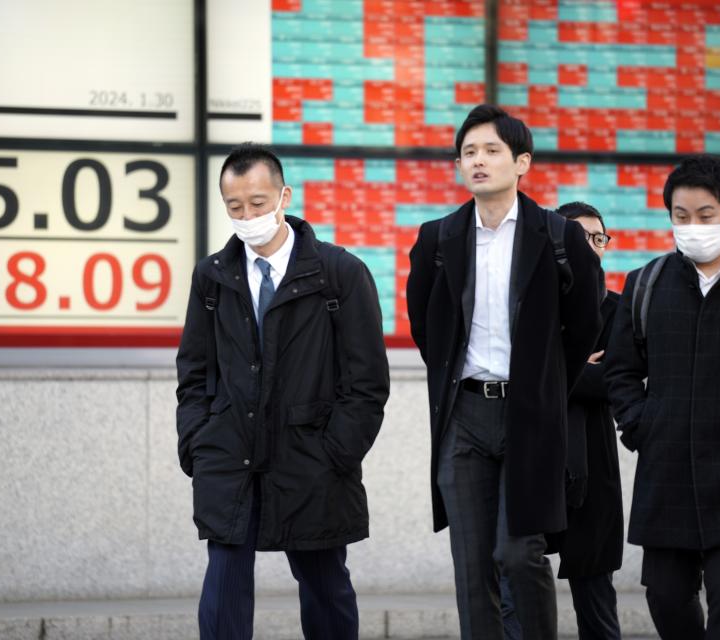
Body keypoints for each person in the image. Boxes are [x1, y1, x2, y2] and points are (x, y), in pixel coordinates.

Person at [176, 143, 390, 640]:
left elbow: (367, 382)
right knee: (224, 583)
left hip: (311, 457)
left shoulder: (339, 273)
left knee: (323, 585)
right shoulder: (211, 277)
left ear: (284, 196)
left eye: (257, 203)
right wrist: (197, 442)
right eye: (234, 206)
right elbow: (193, 370)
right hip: (229, 454)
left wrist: (336, 451)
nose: (247, 216)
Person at [406, 104, 602, 638]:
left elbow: (585, 325)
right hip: (463, 415)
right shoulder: (437, 240)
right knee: (472, 568)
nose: (478, 161)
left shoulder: (560, 238)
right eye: (468, 152)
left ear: (522, 163)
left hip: (531, 415)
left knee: (519, 554)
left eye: (491, 150)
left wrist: (544, 380)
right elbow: (426, 326)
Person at [605, 154, 720, 639]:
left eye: (705, 216)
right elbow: (620, 369)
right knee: (665, 593)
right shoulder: (647, 284)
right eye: (681, 216)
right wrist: (642, 424)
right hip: (667, 467)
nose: (692, 226)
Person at [502, 202, 624, 640]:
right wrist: (577, 368)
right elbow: (508, 373)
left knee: (595, 595)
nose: (590, 247)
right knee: (514, 580)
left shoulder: (618, 311)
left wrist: (549, 366)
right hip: (529, 457)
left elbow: (617, 381)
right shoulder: (524, 306)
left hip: (591, 463)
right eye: (578, 238)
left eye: (598, 238)